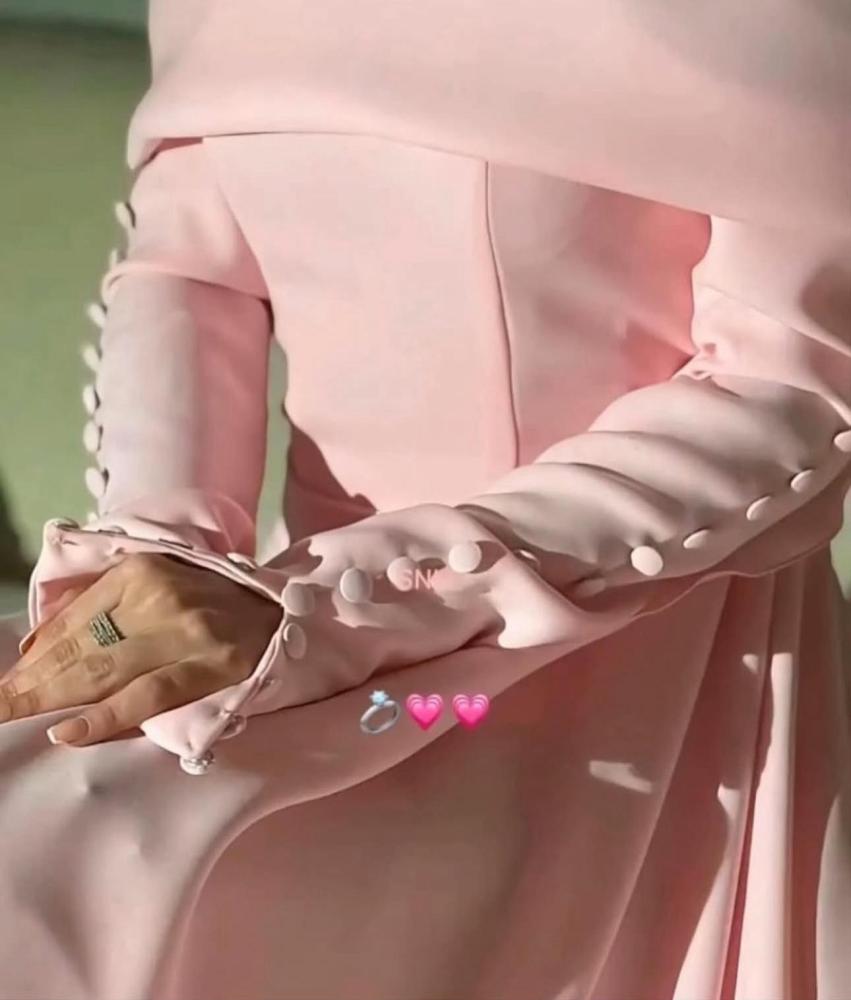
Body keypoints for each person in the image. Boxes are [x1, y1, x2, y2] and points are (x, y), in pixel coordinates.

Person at [0, 1, 850, 997]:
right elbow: (187, 268)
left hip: (612, 693)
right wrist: (158, 554)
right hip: (284, 637)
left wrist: (340, 608)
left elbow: (785, 385)